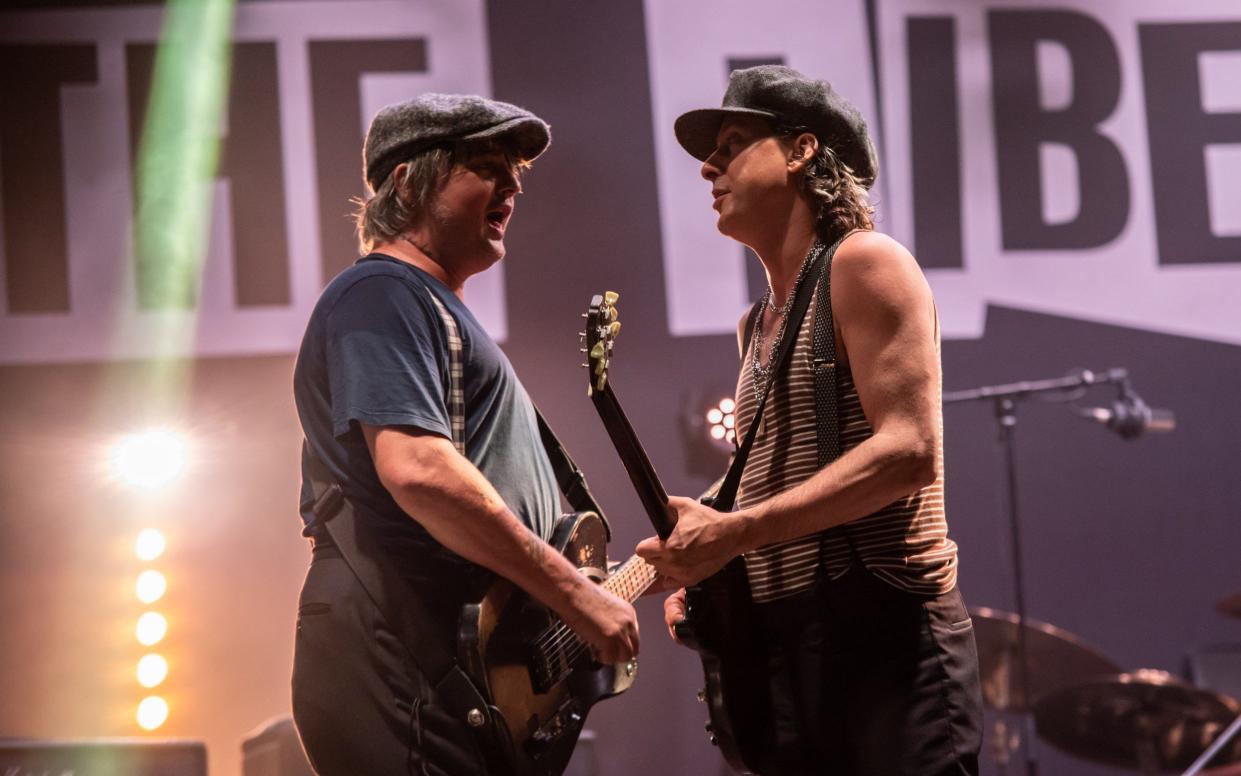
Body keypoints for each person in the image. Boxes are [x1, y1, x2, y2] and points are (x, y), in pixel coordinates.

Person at [635, 65, 983, 775]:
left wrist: (733, 534)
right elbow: (762, 482)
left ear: (800, 151)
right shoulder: (754, 325)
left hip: (888, 636)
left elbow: (907, 452)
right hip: (791, 644)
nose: (708, 167)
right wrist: (693, 570)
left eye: (732, 143)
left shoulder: (865, 263)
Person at [291, 93, 639, 776]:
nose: (512, 184)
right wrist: (574, 595)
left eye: (516, 171)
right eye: (486, 165)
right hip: (407, 651)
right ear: (406, 181)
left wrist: (621, 580)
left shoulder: (431, 308)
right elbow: (418, 471)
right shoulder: (384, 293)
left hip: (447, 665)